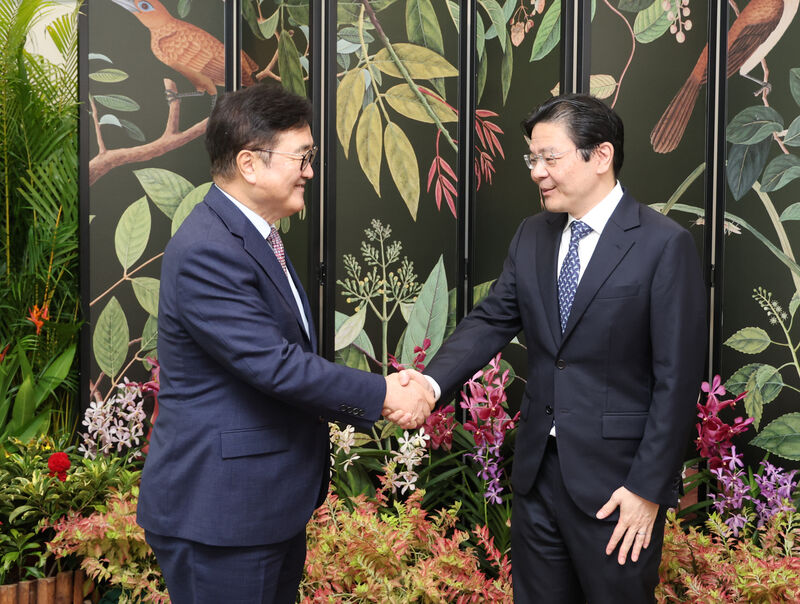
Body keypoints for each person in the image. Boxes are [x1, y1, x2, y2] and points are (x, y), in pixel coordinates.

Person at [136, 82, 433, 604]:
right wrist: (385, 393)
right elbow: (275, 365)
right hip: (222, 516)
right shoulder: (209, 249)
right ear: (250, 164)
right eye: (302, 157)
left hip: (258, 508)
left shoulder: (254, 236)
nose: (310, 172)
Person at [406, 94, 706, 603]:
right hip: (537, 477)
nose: (536, 172)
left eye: (550, 157)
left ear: (601, 155)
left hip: (617, 488)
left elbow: (677, 380)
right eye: (532, 158)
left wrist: (646, 490)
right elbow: (490, 320)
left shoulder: (662, 244)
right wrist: (429, 386)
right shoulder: (533, 235)